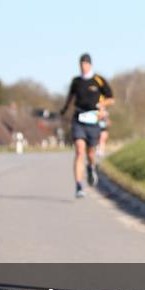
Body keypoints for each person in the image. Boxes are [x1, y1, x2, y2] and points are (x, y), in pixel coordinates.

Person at [59, 54, 114, 198]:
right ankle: (78, 185)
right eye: (81, 64)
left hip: (93, 119)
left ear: (90, 65)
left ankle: (91, 167)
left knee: (90, 153)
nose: (83, 67)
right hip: (79, 118)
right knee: (79, 150)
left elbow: (111, 98)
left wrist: (101, 105)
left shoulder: (98, 80)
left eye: (85, 64)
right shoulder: (76, 82)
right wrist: (64, 110)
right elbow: (70, 98)